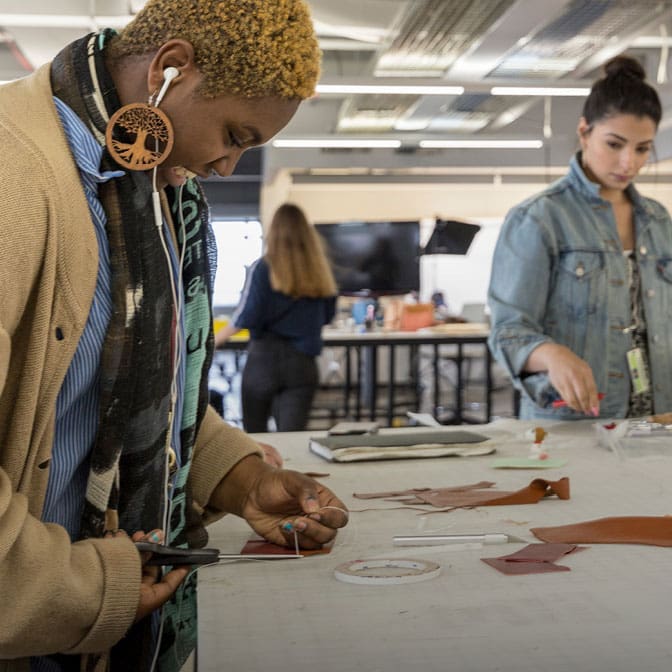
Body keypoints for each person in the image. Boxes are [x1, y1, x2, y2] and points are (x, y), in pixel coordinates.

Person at [0, 2, 348, 671]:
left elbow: (138, 383)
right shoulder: (15, 174)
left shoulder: (146, 190)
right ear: (170, 69)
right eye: (233, 134)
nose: (227, 166)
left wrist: (240, 479)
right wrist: (84, 589)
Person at [488, 55, 672, 420]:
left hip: (656, 425)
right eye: (615, 144)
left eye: (642, 149)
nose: (628, 164)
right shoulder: (539, 218)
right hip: (574, 426)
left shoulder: (659, 220)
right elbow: (508, 332)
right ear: (584, 131)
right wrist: (552, 354)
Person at [216, 203, 338, 431]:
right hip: (303, 364)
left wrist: (215, 340)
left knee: (256, 439)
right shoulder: (320, 271)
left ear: (273, 232)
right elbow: (327, 316)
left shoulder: (262, 268)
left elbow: (246, 315)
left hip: (264, 362)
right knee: (291, 440)